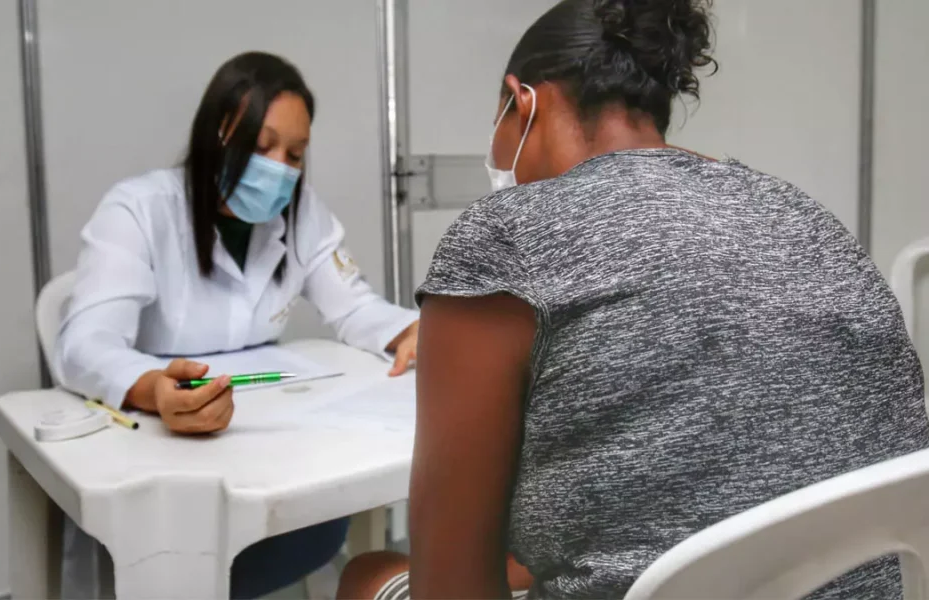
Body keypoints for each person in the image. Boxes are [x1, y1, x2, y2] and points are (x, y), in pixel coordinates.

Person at [337, 1, 929, 598]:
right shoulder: (802, 216)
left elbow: (451, 584)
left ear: (521, 103)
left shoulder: (505, 239)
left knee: (369, 575)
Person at [56, 51, 419, 598]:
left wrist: (408, 330)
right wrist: (155, 390)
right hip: (160, 450)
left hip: (261, 439)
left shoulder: (302, 213)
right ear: (216, 133)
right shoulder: (139, 210)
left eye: (295, 154)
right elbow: (85, 344)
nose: (280, 168)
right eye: (262, 144)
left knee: (315, 520)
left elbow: (353, 306)